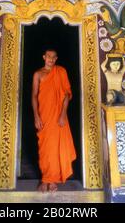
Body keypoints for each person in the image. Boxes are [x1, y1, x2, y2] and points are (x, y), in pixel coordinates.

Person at [32, 48, 76, 192]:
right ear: (44, 57)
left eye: (54, 57)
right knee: (45, 148)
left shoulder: (61, 71)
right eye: (48, 56)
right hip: (44, 116)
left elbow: (66, 95)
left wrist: (63, 114)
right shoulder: (38, 74)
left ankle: (52, 181)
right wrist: (36, 116)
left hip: (58, 117)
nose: (51, 59)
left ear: (56, 59)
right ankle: (46, 178)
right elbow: (34, 96)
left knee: (57, 148)